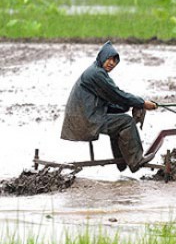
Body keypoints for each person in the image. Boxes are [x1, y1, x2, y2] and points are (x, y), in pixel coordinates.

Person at [61, 41, 157, 172]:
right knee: (126, 121)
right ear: (102, 57)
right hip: (87, 120)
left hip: (85, 117)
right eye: (109, 59)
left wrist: (127, 106)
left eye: (115, 61)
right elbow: (117, 94)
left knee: (119, 120)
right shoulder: (96, 74)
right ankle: (136, 161)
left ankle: (122, 162)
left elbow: (111, 99)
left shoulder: (96, 71)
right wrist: (142, 103)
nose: (112, 63)